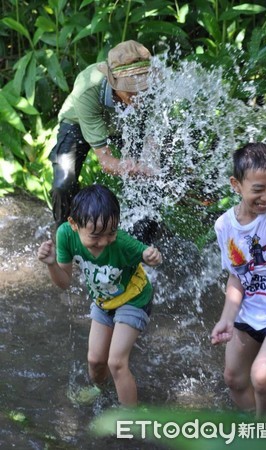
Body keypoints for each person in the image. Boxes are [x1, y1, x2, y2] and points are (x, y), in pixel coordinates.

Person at [37, 184, 162, 407]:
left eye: (110, 233)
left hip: (134, 299)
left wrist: (151, 256)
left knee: (116, 362)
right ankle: (102, 392)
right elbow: (64, 283)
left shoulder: (122, 243)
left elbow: (145, 253)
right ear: (74, 224)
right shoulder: (66, 234)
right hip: (103, 301)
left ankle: (130, 419)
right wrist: (51, 264)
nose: (103, 242)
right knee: (95, 361)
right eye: (95, 236)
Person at [211, 142, 266, 417]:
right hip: (249, 312)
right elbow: (237, 277)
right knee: (234, 380)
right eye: (258, 189)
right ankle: (264, 416)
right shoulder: (224, 226)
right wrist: (227, 317)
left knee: (261, 377)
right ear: (236, 184)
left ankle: (263, 434)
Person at [49, 40, 155, 230]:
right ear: (114, 82)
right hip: (78, 122)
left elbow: (152, 135)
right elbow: (106, 162)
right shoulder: (87, 89)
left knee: (150, 177)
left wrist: (150, 163)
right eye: (131, 91)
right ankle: (64, 230)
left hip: (121, 124)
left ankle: (143, 233)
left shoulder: (150, 87)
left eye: (143, 88)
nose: (139, 96)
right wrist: (134, 168)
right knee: (63, 184)